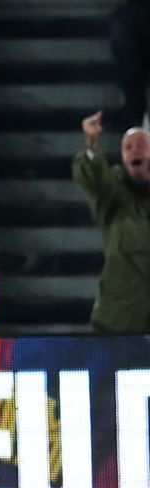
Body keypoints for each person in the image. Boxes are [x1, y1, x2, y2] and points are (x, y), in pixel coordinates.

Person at [75, 110, 150, 332]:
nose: (134, 149)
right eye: (128, 147)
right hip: (119, 320)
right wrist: (91, 143)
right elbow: (95, 179)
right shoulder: (114, 192)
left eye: (141, 144)